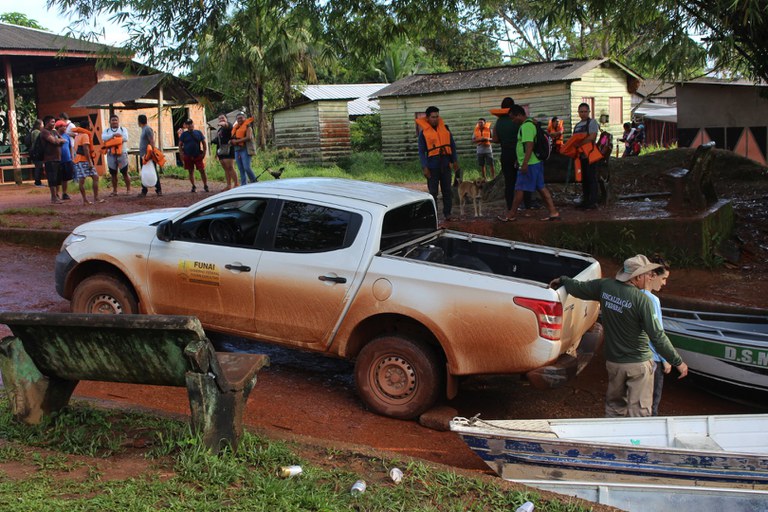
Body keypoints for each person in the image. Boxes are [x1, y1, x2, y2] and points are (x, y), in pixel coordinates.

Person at [549, 254, 688, 417]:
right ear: (638, 277)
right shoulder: (643, 300)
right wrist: (677, 361)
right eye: (647, 274)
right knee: (639, 412)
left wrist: (563, 280)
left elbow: (579, 288)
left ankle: (613, 437)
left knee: (614, 409)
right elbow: (657, 336)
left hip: (614, 363)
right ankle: (635, 442)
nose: (650, 277)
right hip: (638, 364)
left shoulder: (606, 286)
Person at [497, 105, 560, 222]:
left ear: (519, 115)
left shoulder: (526, 126)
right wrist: (519, 159)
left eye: (513, 118)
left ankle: (511, 214)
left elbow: (529, 145)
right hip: (535, 162)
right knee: (541, 187)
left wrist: (524, 163)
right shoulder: (531, 123)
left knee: (519, 189)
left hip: (530, 163)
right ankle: (553, 212)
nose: (512, 121)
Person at [416, 106, 460, 222]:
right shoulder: (423, 134)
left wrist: (454, 161)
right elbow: (421, 152)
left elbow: (452, 146)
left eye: (437, 117)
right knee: (433, 192)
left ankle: (448, 214)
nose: (435, 119)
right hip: (432, 167)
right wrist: (425, 167)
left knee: (447, 191)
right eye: (432, 117)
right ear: (428, 118)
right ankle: (433, 216)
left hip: (445, 165)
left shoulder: (445, 130)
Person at [492, 97, 532, 212]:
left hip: (505, 153)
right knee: (524, 179)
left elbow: (495, 139)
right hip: (519, 153)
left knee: (509, 182)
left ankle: (510, 207)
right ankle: (527, 205)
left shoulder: (499, 122)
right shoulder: (518, 120)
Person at [645, 255, 672, 416]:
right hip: (653, 359)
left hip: (635, 358)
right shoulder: (652, 300)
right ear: (652, 275)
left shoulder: (632, 294)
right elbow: (657, 334)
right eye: (663, 278)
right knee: (652, 404)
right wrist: (665, 359)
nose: (664, 283)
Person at [572, 103, 600, 209]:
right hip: (581, 156)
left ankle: (593, 202)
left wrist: (580, 143)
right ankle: (586, 200)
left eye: (585, 111)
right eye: (581, 112)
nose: (583, 114)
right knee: (584, 179)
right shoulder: (578, 125)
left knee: (591, 178)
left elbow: (592, 137)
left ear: (589, 112)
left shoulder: (592, 122)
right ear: (578, 113)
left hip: (591, 155)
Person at [72, 121, 102, 204]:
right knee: (93, 178)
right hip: (84, 160)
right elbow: (86, 149)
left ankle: (87, 199)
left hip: (78, 160)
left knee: (83, 179)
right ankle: (92, 198)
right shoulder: (85, 135)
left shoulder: (77, 136)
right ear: (87, 127)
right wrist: (90, 162)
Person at [102, 115, 131, 196]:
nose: (114, 122)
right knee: (113, 173)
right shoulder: (106, 131)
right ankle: (115, 191)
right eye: (112, 120)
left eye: (116, 120)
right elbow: (103, 138)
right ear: (109, 122)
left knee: (124, 172)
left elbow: (125, 138)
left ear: (118, 121)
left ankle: (128, 190)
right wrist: (113, 136)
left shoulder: (123, 129)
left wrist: (114, 139)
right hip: (111, 154)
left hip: (122, 153)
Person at [178, 118, 209, 193]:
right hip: (188, 155)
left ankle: (205, 185)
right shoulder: (184, 134)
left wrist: (204, 152)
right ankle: (193, 186)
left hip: (197, 155)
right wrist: (181, 154)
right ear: (186, 125)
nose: (190, 125)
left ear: (193, 124)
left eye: (191, 123)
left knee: (202, 170)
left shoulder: (198, 133)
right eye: (188, 124)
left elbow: (204, 143)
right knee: (190, 171)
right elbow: (180, 145)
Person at [137, 114, 162, 197]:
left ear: (139, 121)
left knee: (153, 171)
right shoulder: (144, 129)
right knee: (144, 172)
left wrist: (152, 153)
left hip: (148, 155)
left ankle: (158, 189)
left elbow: (151, 141)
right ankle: (144, 190)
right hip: (144, 155)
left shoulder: (147, 129)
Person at [230, 112, 257, 185]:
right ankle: (244, 185)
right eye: (238, 118)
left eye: (241, 118)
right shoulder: (235, 128)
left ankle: (254, 182)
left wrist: (236, 141)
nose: (239, 119)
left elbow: (249, 137)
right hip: (237, 150)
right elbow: (233, 138)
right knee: (241, 169)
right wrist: (232, 141)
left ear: (244, 118)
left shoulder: (248, 127)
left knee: (247, 167)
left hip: (245, 150)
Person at [214, 114, 238, 190]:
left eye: (223, 118)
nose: (221, 119)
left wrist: (222, 123)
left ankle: (236, 183)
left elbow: (226, 125)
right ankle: (228, 185)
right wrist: (216, 153)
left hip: (229, 149)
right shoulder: (220, 130)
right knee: (225, 169)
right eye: (219, 118)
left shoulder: (229, 125)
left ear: (226, 119)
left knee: (230, 167)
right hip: (221, 150)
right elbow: (218, 142)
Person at [55, 120, 73, 201]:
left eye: (65, 126)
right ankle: (56, 194)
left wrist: (71, 157)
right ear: (59, 127)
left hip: (67, 159)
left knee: (65, 178)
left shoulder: (67, 136)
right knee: (58, 178)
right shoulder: (55, 136)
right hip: (58, 160)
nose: (65, 128)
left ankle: (64, 193)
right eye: (63, 126)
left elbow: (70, 147)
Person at [27, 119, 45, 187]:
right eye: (42, 124)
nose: (43, 126)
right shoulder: (36, 132)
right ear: (39, 125)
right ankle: (37, 182)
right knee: (38, 167)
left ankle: (38, 181)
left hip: (34, 152)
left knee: (38, 166)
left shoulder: (33, 131)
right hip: (36, 152)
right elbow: (37, 142)